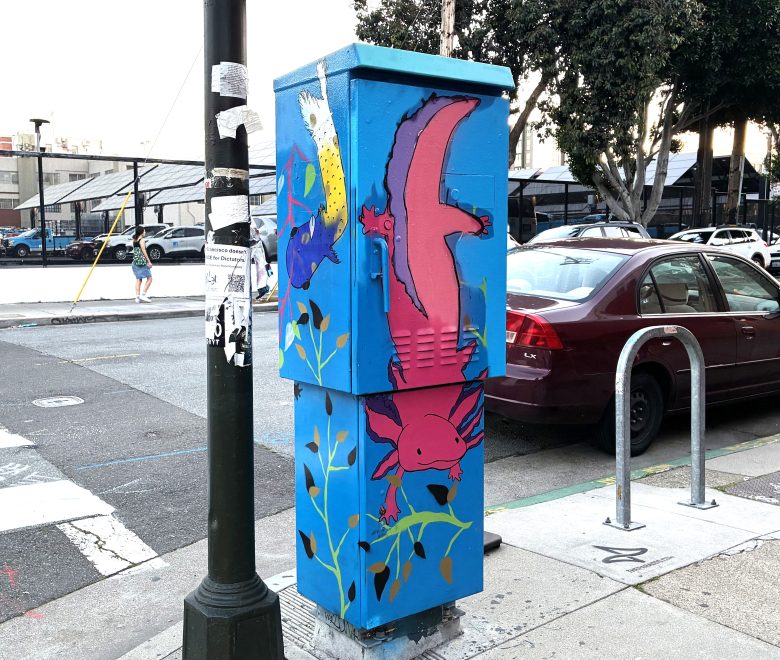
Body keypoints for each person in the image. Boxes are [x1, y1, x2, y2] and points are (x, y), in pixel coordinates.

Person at [250, 222, 272, 301]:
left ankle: (262, 287)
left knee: (261, 265)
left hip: (254, 243)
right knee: (261, 265)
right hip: (255, 243)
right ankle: (262, 287)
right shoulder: (251, 223)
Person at [131, 226, 153, 303]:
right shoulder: (142, 240)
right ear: (141, 232)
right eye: (144, 231)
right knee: (149, 278)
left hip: (135, 262)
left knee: (138, 279)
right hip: (142, 262)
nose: (145, 232)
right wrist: (149, 261)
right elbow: (144, 251)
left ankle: (137, 297)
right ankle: (143, 295)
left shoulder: (134, 240)